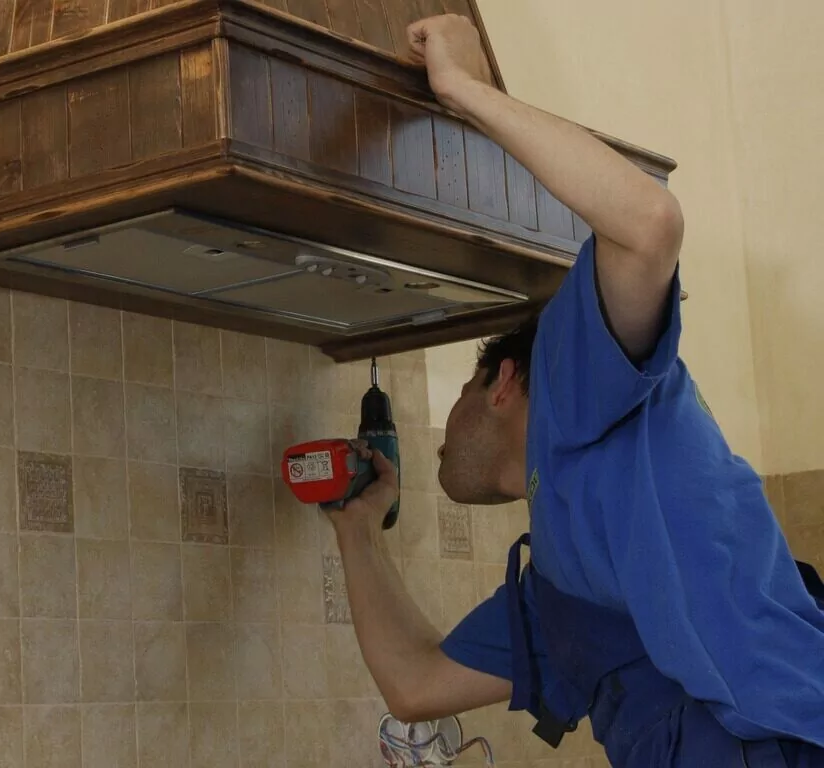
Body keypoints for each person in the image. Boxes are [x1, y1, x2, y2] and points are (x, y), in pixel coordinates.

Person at [330, 14, 824, 768]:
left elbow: (650, 223)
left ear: (502, 382)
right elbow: (415, 683)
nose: (441, 436)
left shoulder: (572, 382)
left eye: (457, 392)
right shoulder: (560, 594)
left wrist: (467, 92)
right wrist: (355, 528)